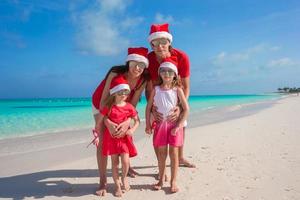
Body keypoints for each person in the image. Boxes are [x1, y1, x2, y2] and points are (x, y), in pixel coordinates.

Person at [91, 47, 149, 196]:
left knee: (124, 135)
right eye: (134, 63)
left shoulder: (142, 79)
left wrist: (127, 122)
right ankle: (103, 181)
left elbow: (133, 105)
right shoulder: (115, 73)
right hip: (101, 105)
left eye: (141, 65)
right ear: (128, 63)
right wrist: (108, 123)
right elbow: (104, 101)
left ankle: (126, 166)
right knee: (104, 141)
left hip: (123, 107)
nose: (138, 68)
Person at [146, 23, 195, 168]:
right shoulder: (149, 60)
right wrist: (152, 109)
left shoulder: (182, 57)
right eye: (155, 43)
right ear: (152, 45)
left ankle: (179, 157)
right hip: (157, 101)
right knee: (157, 130)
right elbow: (149, 88)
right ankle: (161, 165)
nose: (160, 46)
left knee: (180, 126)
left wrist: (180, 107)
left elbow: (186, 86)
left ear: (169, 42)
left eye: (163, 42)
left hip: (176, 99)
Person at [145, 57, 189, 193]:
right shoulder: (156, 89)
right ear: (159, 73)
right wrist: (148, 123)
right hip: (160, 126)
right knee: (162, 153)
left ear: (175, 74)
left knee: (174, 154)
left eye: (170, 71)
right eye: (163, 71)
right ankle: (160, 178)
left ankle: (173, 181)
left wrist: (179, 125)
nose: (167, 74)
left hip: (174, 126)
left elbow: (186, 108)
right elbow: (148, 107)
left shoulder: (177, 90)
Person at [95, 75, 140, 197]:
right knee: (115, 163)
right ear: (114, 93)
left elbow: (137, 121)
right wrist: (97, 136)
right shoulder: (108, 107)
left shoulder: (129, 107)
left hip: (125, 139)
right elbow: (99, 122)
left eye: (126, 91)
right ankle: (117, 186)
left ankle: (124, 178)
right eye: (120, 91)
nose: (124, 94)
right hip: (112, 140)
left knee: (125, 161)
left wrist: (133, 130)